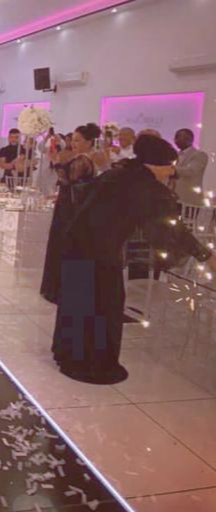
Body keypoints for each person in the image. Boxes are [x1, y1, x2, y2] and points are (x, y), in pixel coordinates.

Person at [53, 135, 216, 384]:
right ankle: (90, 363)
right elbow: (173, 230)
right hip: (99, 252)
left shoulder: (120, 174)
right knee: (103, 305)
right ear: (154, 164)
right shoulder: (145, 187)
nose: (172, 172)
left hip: (76, 244)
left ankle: (69, 354)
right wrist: (206, 255)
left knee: (80, 301)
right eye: (169, 166)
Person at [40, 122, 107, 304]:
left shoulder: (83, 160)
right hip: (70, 204)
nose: (74, 143)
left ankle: (59, 288)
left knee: (63, 243)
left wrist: (56, 162)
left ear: (89, 142)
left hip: (70, 208)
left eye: (78, 140)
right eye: (73, 140)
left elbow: (68, 180)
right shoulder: (85, 158)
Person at [173, 128, 208, 206]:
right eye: (175, 137)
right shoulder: (175, 155)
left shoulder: (199, 155)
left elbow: (191, 171)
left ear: (190, 139)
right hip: (174, 197)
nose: (176, 140)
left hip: (189, 198)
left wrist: (170, 169)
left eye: (179, 137)